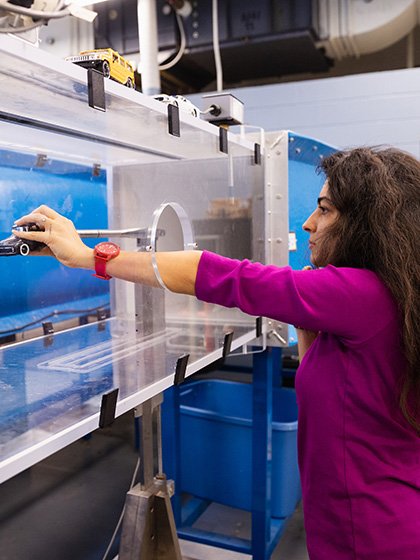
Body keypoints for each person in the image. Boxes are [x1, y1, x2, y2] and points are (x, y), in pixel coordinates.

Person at [14, 146, 420, 560]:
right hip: (355, 515)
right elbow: (328, 369)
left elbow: (217, 275)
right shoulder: (389, 296)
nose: (308, 222)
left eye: (325, 210)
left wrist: (86, 256)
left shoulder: (364, 296)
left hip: (369, 534)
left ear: (366, 223)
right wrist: (304, 300)